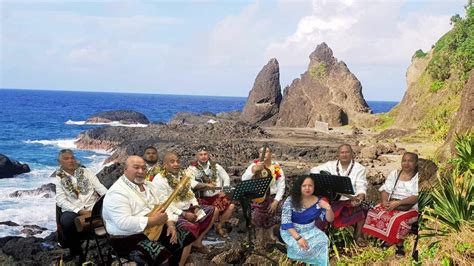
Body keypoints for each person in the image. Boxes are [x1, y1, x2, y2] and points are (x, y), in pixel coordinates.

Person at [102, 156, 195, 265]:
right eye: (136, 168)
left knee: (186, 235)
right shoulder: (117, 192)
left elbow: (163, 206)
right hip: (127, 237)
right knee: (160, 254)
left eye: (144, 168)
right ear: (125, 169)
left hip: (155, 228)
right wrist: (154, 221)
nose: (141, 171)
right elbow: (123, 222)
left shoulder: (149, 186)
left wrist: (170, 224)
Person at [152, 152, 219, 254]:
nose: (176, 164)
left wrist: (196, 206)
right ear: (165, 165)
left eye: (178, 161)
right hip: (173, 214)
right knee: (190, 227)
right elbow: (164, 204)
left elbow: (190, 193)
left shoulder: (183, 175)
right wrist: (183, 214)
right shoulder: (159, 179)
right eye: (172, 162)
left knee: (214, 210)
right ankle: (185, 248)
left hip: (188, 208)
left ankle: (197, 242)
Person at [309, 144, 368, 247]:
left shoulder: (360, 169)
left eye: (347, 152)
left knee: (363, 208)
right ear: (338, 154)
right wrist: (326, 177)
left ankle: (358, 235)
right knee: (318, 204)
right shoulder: (330, 165)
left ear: (352, 154)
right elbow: (313, 170)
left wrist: (360, 196)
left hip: (349, 201)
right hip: (332, 199)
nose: (344, 155)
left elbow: (361, 186)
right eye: (342, 152)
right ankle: (320, 235)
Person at [362, 152, 419, 257]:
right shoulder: (395, 173)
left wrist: (399, 203)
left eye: (410, 161)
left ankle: (399, 245)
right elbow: (385, 189)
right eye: (404, 160)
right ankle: (387, 239)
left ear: (416, 163)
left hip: (409, 206)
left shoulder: (418, 177)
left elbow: (416, 196)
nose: (406, 163)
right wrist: (384, 201)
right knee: (373, 212)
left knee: (398, 220)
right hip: (392, 202)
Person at [55, 149, 107, 261]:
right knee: (67, 220)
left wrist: (110, 198)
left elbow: (100, 188)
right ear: (60, 162)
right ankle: (77, 253)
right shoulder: (59, 177)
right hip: (74, 210)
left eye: (72, 158)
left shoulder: (86, 172)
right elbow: (60, 200)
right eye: (66, 158)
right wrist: (79, 210)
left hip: (94, 207)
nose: (70, 160)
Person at [280, 175, 333, 265]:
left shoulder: (319, 201)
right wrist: (299, 238)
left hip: (310, 229)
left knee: (324, 240)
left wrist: (328, 208)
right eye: (304, 186)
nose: (307, 188)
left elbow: (330, 219)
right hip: (291, 231)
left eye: (310, 185)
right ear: (299, 187)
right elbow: (286, 222)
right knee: (300, 248)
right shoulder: (291, 200)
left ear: (314, 187)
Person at [187, 145, 236, 238]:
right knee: (213, 211)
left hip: (216, 196)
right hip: (202, 198)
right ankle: (205, 231)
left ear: (208, 155)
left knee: (231, 206)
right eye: (201, 154)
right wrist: (204, 185)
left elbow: (226, 177)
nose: (203, 156)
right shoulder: (192, 168)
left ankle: (219, 226)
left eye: (205, 154)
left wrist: (225, 190)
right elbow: (189, 182)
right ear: (197, 156)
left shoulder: (216, 166)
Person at [241, 146, 286, 249]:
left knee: (286, 209)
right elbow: (244, 179)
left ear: (271, 154)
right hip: (259, 198)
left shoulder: (276, 167)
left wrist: (276, 201)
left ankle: (274, 232)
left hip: (273, 197)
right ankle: (260, 237)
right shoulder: (254, 165)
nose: (264, 154)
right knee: (258, 216)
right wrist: (253, 170)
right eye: (261, 152)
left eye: (266, 152)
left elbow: (281, 185)